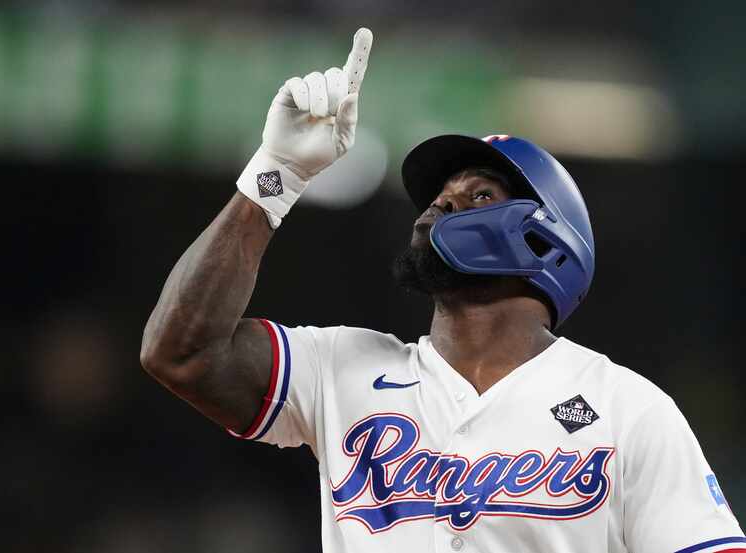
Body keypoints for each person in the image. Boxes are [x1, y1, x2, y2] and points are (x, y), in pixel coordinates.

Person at [140, 28, 745, 553]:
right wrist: (276, 174)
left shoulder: (626, 409)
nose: (441, 204)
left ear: (545, 242)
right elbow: (183, 353)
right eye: (437, 197)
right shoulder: (341, 368)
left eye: (480, 195)